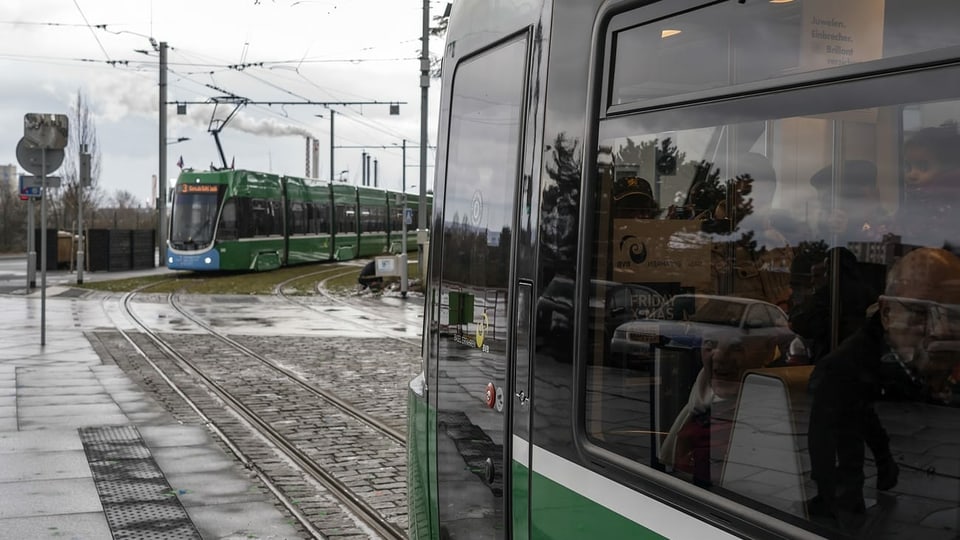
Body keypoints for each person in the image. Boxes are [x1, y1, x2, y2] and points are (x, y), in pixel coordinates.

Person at [806, 248, 960, 522]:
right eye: (920, 313)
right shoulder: (844, 370)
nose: (942, 330)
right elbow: (828, 452)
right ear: (887, 313)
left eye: (954, 315)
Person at [897, 122, 960, 246]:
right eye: (908, 166)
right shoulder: (918, 195)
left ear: (946, 170)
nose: (912, 174)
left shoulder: (945, 200)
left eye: (923, 166)